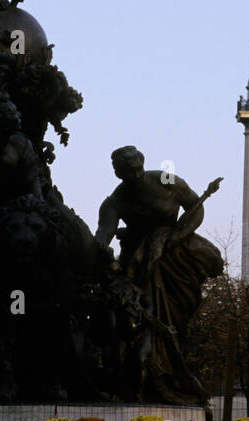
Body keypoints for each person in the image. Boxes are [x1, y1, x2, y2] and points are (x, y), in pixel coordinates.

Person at [95, 147, 224, 403]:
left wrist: (178, 236)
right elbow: (104, 231)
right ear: (117, 174)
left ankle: (174, 370)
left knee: (178, 314)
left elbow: (195, 207)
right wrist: (99, 248)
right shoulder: (115, 201)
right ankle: (151, 375)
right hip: (142, 263)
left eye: (137, 169)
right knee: (145, 317)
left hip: (176, 253)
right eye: (127, 172)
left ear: (143, 164)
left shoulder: (167, 181)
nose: (134, 175)